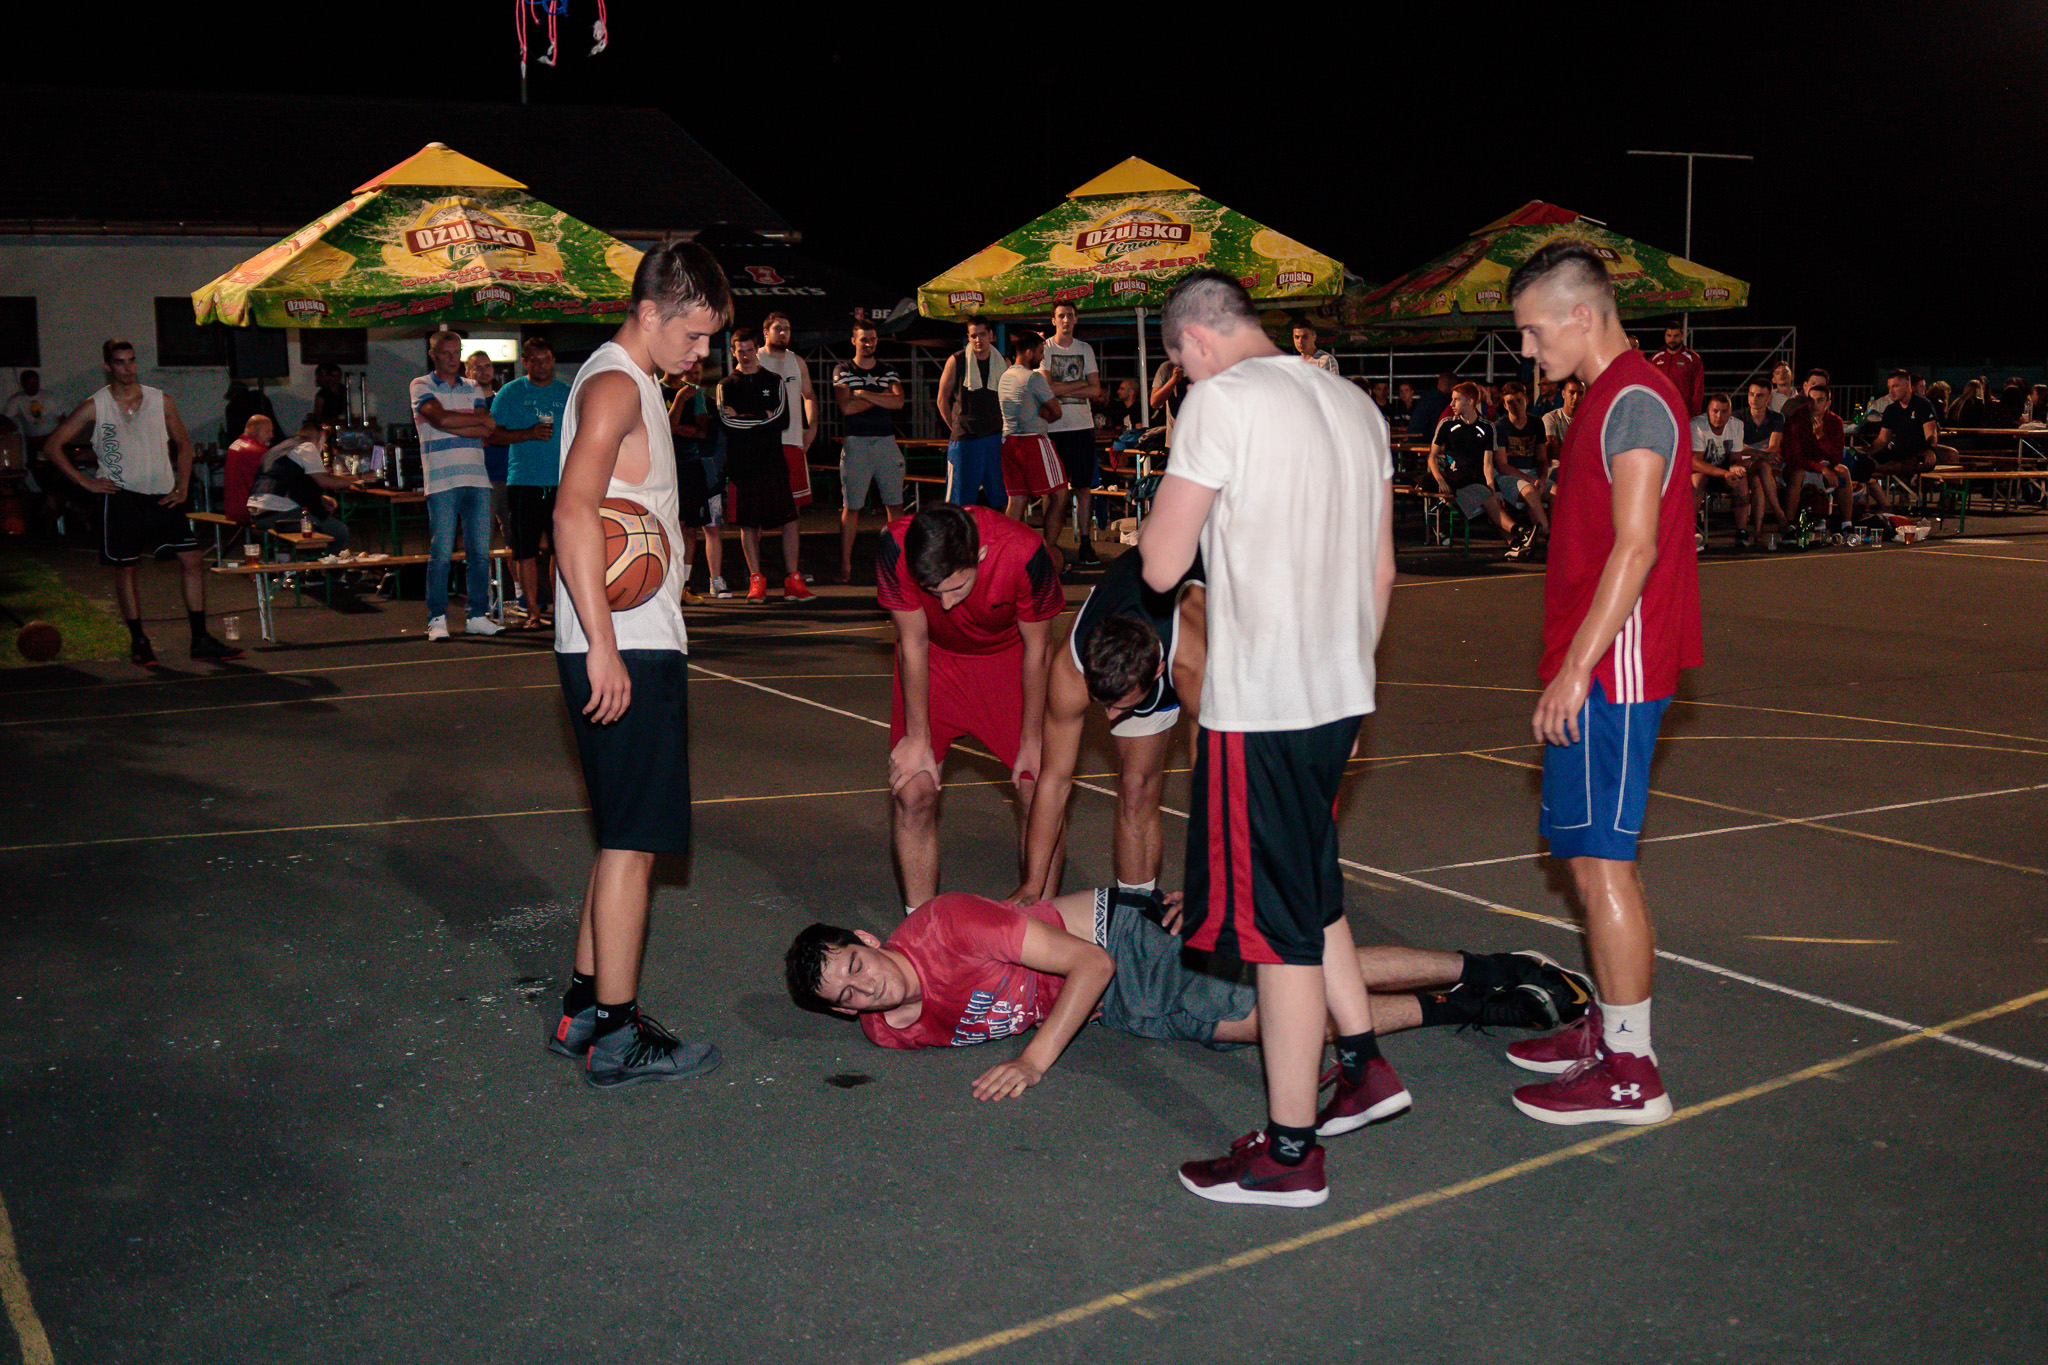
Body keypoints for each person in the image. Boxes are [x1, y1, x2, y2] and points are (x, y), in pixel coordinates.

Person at [1138, 268, 1395, 1208]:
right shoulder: (1353, 402)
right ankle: (1363, 1061)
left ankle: (1289, 1151)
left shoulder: (1218, 402)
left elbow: (1163, 565)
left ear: (1192, 343)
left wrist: (1154, 523)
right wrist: (1352, 680)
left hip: (1265, 703)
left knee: (1275, 928)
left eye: (1177, 363)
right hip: (1336, 691)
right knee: (1309, 878)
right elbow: (1381, 569)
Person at [1507, 239, 1701, 1127]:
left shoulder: (1632, 397)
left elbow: (1637, 543)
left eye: (1533, 329)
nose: (1527, 349)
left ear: (1580, 314)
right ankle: (1606, 1029)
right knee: (1585, 858)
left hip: (1614, 668)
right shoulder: (1603, 398)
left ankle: (1631, 1071)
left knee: (1606, 861)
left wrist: (1579, 669)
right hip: (1596, 662)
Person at [785, 888, 1595, 1101]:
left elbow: (1091, 965)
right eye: (846, 996)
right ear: (841, 1014)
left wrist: (1035, 1059)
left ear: (864, 938)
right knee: (1280, 1027)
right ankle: (1477, 1004)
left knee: (1295, 982)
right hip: (1121, 1009)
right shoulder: (888, 1033)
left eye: (854, 963)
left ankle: (1483, 966)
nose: (865, 984)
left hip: (1123, 944)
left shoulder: (945, 927)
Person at [544, 239, 733, 1089]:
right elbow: (572, 511)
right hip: (626, 643)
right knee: (634, 845)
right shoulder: (618, 382)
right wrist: (606, 646)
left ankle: (586, 1003)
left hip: (630, 637)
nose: (703, 353)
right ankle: (617, 1037)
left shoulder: (630, 380)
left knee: (621, 830)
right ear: (652, 311)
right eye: (694, 335)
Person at [877, 503, 1063, 911]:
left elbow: (1039, 649)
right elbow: (913, 642)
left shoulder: (1025, 552)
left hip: (1007, 661)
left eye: (956, 589)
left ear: (978, 554)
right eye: (933, 591)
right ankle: (920, 927)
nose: (945, 604)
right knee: (913, 791)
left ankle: (1045, 928)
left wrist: (1032, 739)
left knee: (1037, 786)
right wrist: (917, 737)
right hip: (935, 660)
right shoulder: (895, 546)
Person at [1012, 544, 1206, 905]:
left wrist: (1208, 885)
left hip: (1231, 601)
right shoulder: (1071, 668)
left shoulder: (1194, 661)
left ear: (1158, 671)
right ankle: (1136, 916)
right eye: (1105, 704)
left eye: (1121, 705)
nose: (1111, 718)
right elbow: (1053, 780)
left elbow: (1212, 783)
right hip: (1140, 606)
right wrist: (1030, 887)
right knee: (1136, 787)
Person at [42, 340, 241, 665]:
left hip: (163, 495)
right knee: (126, 570)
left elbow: (184, 444)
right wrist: (85, 481)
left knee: (192, 560)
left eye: (132, 361)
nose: (128, 368)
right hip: (120, 498)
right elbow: (53, 445)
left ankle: (200, 639)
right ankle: (139, 640)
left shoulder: (158, 399)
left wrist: (182, 485)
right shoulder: (96, 405)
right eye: (120, 362)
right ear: (109, 366)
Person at [410, 330, 501, 640]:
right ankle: (436, 618)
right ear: (433, 354)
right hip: (442, 479)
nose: (452, 358)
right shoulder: (420, 385)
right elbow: (440, 420)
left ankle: (477, 615)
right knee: (442, 552)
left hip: (477, 478)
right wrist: (468, 424)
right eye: (445, 353)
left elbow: (487, 425)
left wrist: (455, 421)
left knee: (479, 553)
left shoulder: (473, 386)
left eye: (456, 352)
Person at [717, 327, 813, 603]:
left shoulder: (774, 381)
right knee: (748, 524)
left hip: (773, 462)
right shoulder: (726, 385)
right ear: (733, 351)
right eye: (740, 350)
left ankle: (793, 580)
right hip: (742, 466)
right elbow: (728, 423)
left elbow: (782, 420)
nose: (745, 355)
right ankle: (756, 580)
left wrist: (747, 417)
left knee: (789, 519)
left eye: (749, 350)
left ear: (756, 349)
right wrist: (763, 417)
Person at [489, 337, 569, 629]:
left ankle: (562, 609)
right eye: (534, 360)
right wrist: (528, 433)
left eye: (546, 359)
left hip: (562, 483)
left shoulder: (566, 392)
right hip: (524, 481)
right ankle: (533, 611)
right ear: (524, 362)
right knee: (525, 551)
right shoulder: (511, 393)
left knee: (562, 550)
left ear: (553, 360)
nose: (541, 365)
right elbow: (491, 435)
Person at [831, 320, 905, 584]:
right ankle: (846, 565)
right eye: (864, 339)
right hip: (856, 444)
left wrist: (863, 393)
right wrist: (879, 396)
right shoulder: (843, 369)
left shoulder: (888, 369)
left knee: (894, 505)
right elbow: (846, 408)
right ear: (854, 340)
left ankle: (898, 563)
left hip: (886, 442)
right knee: (852, 507)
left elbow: (899, 401)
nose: (869, 343)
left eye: (873, 338)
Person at [1427, 381, 1526, 554]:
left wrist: (1492, 486)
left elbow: (1488, 463)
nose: (1451, 404)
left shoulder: (1487, 427)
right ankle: (1520, 532)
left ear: (1470, 401)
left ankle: (1516, 543)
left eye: (1456, 400)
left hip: (1476, 478)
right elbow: (1431, 457)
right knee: (1487, 498)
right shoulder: (1447, 424)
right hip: (1456, 478)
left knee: (1489, 497)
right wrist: (1440, 479)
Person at [996, 328, 1070, 556]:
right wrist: (1043, 414)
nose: (1042, 357)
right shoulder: (1034, 377)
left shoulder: (1005, 376)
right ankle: (1048, 552)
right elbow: (1056, 411)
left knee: (1017, 499)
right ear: (1028, 352)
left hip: (1009, 442)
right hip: (1033, 441)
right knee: (1060, 494)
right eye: (1039, 352)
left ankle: (1007, 554)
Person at [1041, 303, 1105, 565]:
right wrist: (1080, 384)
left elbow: (1096, 391)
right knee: (1052, 490)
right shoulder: (1045, 348)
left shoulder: (1085, 349)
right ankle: (1049, 547)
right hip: (1054, 429)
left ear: (1076, 319)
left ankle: (1086, 543)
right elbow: (1046, 389)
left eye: (1069, 315)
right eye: (1061, 316)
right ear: (1053, 320)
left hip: (1082, 428)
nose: (1065, 320)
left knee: (1083, 487)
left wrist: (1061, 388)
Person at [247, 415, 358, 550]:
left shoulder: (280, 448)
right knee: (339, 530)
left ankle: (315, 564)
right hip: (277, 514)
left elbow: (292, 486)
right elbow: (325, 481)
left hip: (257, 512)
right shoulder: (307, 447)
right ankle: (330, 568)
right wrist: (355, 479)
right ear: (321, 438)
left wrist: (321, 499)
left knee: (318, 519)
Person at [935, 319, 1008, 508]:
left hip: (995, 437)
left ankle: (993, 538)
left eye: (982, 334)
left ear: (991, 335)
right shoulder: (957, 360)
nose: (978, 340)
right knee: (959, 502)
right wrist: (956, 427)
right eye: (973, 335)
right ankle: (959, 538)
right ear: (968, 337)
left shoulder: (1003, 361)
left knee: (999, 500)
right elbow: (942, 398)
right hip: (965, 440)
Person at [667, 359, 724, 600]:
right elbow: (665, 427)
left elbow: (702, 431)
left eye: (699, 371)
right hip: (666, 467)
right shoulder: (658, 390)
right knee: (671, 527)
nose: (695, 375)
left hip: (693, 466)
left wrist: (679, 429)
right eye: (691, 370)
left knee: (692, 527)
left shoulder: (698, 395)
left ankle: (685, 583)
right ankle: (667, 583)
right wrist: (679, 400)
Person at [757, 311, 818, 532]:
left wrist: (812, 428)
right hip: (763, 446)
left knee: (792, 512)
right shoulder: (755, 360)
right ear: (766, 332)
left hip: (792, 442)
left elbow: (809, 396)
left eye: (787, 329)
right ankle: (756, 567)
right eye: (778, 328)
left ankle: (792, 568)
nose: (783, 333)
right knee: (761, 510)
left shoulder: (797, 362)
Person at [1781, 381, 1853, 532]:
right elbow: (1793, 455)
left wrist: (1821, 437)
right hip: (1801, 465)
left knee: (1843, 471)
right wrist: (1821, 469)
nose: (1814, 405)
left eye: (1820, 400)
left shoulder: (1835, 421)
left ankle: (1846, 524)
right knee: (1798, 474)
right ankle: (1789, 524)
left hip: (1824, 465)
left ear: (1828, 403)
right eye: (1811, 400)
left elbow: (1836, 456)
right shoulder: (1796, 419)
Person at [1690, 392, 1755, 546]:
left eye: (1724, 411)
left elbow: (1735, 457)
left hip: (1724, 472)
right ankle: (1689, 530)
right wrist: (1725, 473)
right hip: (1703, 471)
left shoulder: (1736, 425)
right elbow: (1695, 462)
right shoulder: (1697, 425)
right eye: (1715, 411)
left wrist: (1736, 467)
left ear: (1730, 412)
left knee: (1741, 479)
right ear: (1708, 411)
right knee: (1698, 479)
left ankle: (1742, 532)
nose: (1719, 416)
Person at [1493, 379, 1552, 547]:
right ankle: (1547, 534)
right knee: (1530, 491)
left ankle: (1553, 532)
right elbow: (1502, 465)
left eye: (1519, 400)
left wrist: (1541, 477)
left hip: (1533, 472)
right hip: (1509, 475)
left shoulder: (1536, 423)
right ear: (1504, 405)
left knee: (1555, 491)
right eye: (1510, 402)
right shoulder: (1500, 427)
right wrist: (1531, 480)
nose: (1516, 405)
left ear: (1526, 400)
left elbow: (1542, 458)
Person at [1864, 368, 1952, 479]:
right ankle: (1877, 469)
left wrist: (1930, 449)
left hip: (1920, 451)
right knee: (1869, 460)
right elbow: (1882, 439)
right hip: (1901, 451)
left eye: (1896, 386)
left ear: (1907, 385)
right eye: (1889, 387)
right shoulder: (1891, 409)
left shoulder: (1922, 405)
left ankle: (1883, 471)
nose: (1891, 391)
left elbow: (1931, 434)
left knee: (1914, 462)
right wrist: (1868, 452)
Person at [1735, 380, 1789, 541]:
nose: (1754, 399)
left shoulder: (1777, 418)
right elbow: (1737, 446)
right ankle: (1780, 515)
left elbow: (1773, 446)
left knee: (1758, 480)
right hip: (1743, 463)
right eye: (1751, 394)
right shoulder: (1737, 417)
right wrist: (1760, 454)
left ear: (1769, 397)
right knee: (1764, 466)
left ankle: (1758, 531)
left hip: (1761, 462)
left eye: (1760, 395)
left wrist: (1755, 455)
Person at [1646, 324, 1704, 416]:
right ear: (1665, 337)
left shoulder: (1693, 359)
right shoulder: (1655, 358)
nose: (1672, 339)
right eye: (1669, 336)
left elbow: (1698, 390)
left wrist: (1694, 414)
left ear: (1682, 336)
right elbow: (1647, 386)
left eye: (1676, 336)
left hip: (1683, 413)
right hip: (1659, 413)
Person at [1405, 371, 1453, 438]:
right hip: (1423, 441)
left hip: (1416, 438)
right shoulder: (1439, 401)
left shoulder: (1429, 397)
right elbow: (1437, 428)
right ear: (1451, 386)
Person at [310, 363, 351, 428]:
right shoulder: (322, 394)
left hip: (341, 424)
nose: (336, 379)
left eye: (339, 376)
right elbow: (317, 415)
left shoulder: (343, 390)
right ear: (328, 377)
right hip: (327, 425)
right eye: (334, 376)